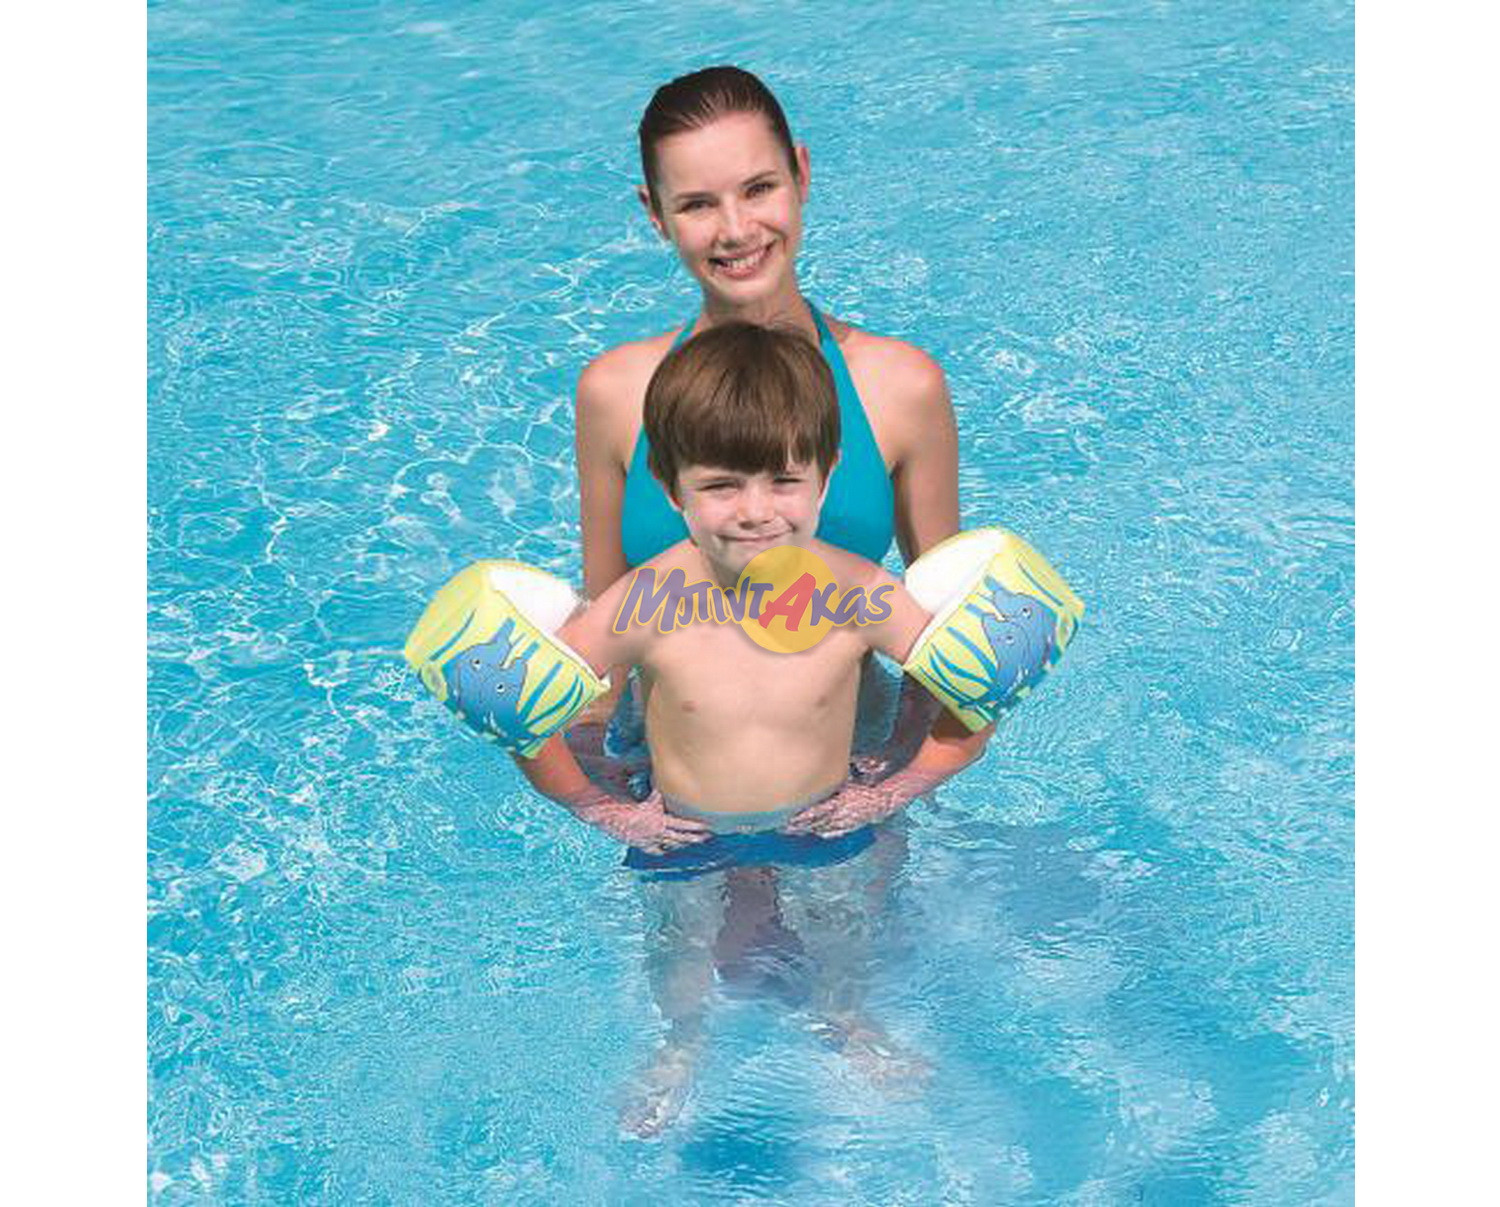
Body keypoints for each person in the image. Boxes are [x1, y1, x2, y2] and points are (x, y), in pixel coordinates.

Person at [520, 323, 992, 1135]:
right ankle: (680, 1044)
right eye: (721, 485)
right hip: (684, 829)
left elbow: (972, 701)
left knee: (840, 938)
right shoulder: (642, 603)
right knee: (678, 950)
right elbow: (526, 717)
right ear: (670, 486)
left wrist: (891, 792)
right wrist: (605, 809)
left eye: (783, 480)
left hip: (823, 820)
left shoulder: (861, 595)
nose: (755, 512)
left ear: (826, 475)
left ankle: (845, 1020)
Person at [572, 65, 962, 779]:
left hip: (855, 761)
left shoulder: (900, 387)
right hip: (673, 778)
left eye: (759, 188)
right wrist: (603, 789)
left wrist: (892, 781)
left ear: (801, 174)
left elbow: (945, 640)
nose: (736, 230)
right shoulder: (617, 394)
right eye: (697, 204)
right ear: (655, 214)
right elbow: (599, 658)